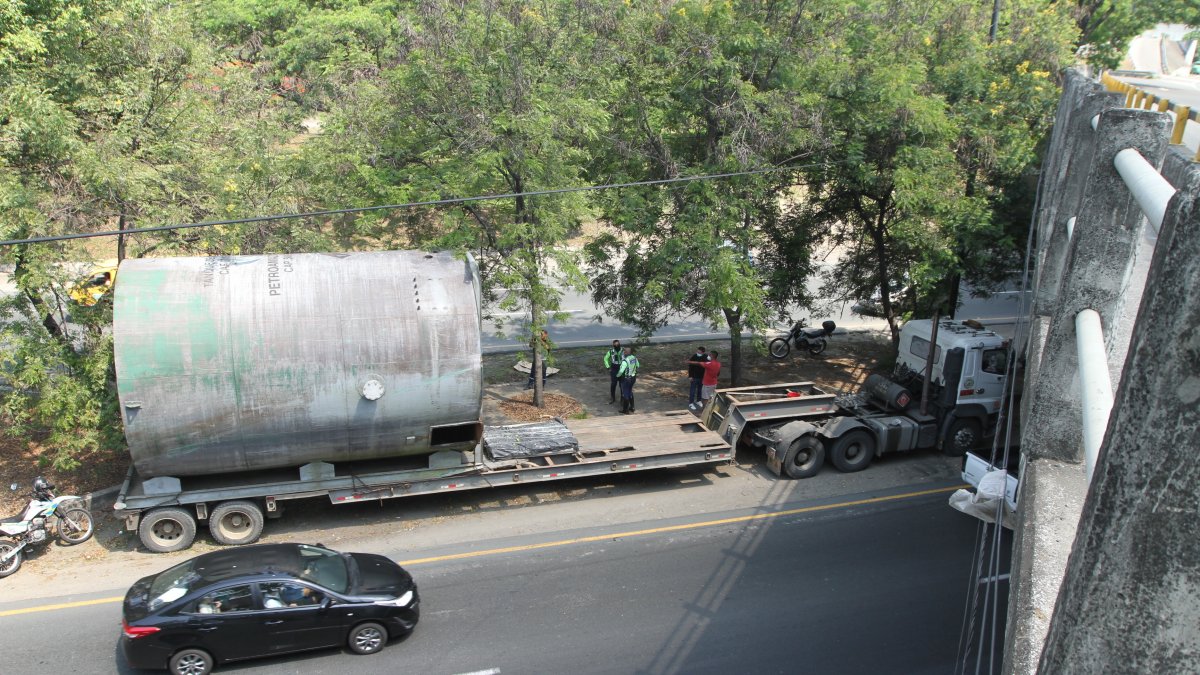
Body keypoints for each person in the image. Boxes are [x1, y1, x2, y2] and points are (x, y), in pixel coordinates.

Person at [616, 347, 640, 414]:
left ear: (626, 352)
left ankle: (625, 410)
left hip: (626, 379)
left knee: (625, 393)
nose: (623, 353)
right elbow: (638, 365)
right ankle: (632, 407)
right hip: (633, 378)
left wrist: (617, 376)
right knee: (630, 391)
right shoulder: (635, 358)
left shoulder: (625, 361)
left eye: (624, 352)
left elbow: (621, 371)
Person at [603, 339, 623, 404]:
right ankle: (612, 398)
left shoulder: (623, 350)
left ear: (620, 344)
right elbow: (605, 359)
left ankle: (622, 398)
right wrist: (608, 367)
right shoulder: (611, 351)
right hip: (614, 368)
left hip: (622, 368)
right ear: (613, 345)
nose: (617, 346)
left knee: (622, 384)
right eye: (615, 345)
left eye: (618, 345)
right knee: (613, 384)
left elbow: (628, 357)